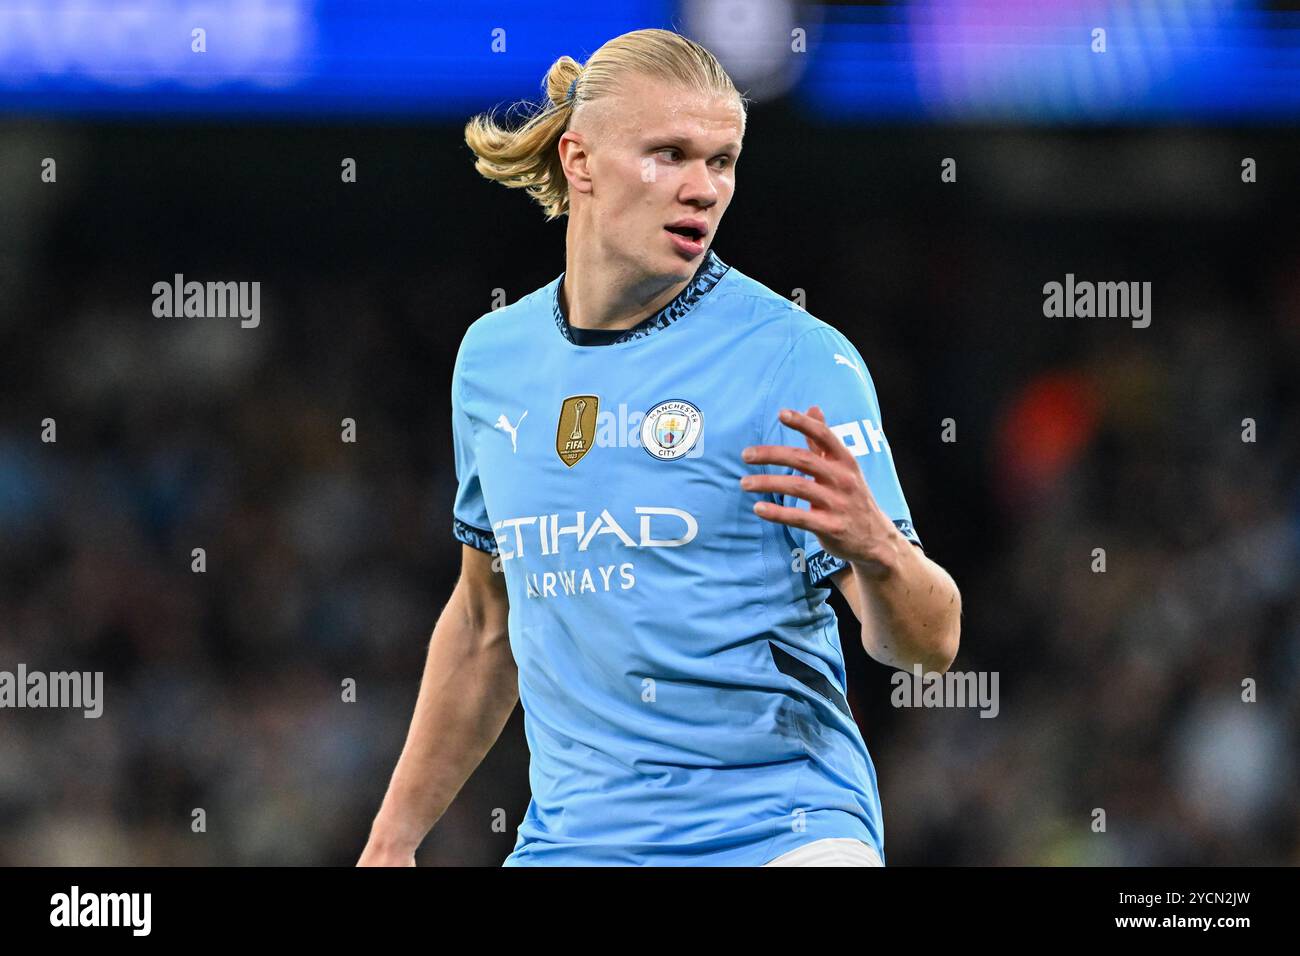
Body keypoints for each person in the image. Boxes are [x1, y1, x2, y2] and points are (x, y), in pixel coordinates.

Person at [359, 27, 961, 867]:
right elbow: (483, 623)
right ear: (579, 162)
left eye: (721, 161)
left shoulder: (794, 359)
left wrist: (881, 552)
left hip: (782, 831)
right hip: (577, 845)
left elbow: (928, 647)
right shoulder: (493, 362)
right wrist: (392, 840)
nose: (702, 189)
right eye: (669, 154)